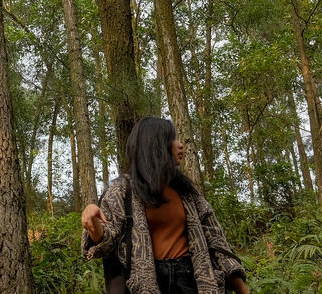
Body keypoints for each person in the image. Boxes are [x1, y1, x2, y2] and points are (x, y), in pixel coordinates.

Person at [81, 117, 249, 294]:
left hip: (190, 280)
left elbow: (217, 243)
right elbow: (107, 241)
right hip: (146, 283)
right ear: (156, 144)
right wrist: (93, 220)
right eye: (173, 139)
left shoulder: (188, 193)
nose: (180, 144)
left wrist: (242, 290)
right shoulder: (122, 192)